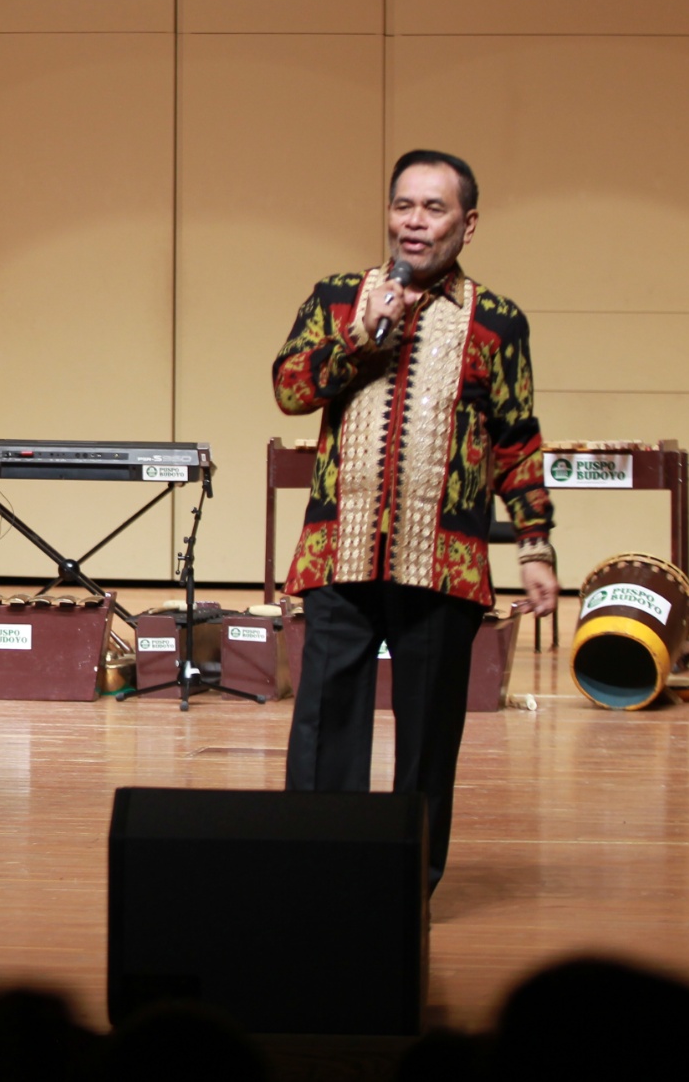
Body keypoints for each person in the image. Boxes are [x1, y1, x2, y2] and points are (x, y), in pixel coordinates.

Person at [274, 149, 559, 891]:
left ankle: (403, 888)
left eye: (433, 209)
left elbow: (516, 438)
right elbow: (291, 387)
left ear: (467, 225)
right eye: (404, 205)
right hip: (340, 550)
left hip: (444, 561)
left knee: (429, 737)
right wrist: (366, 334)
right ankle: (315, 875)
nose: (414, 222)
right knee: (325, 724)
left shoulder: (497, 322)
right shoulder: (340, 296)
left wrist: (534, 542)